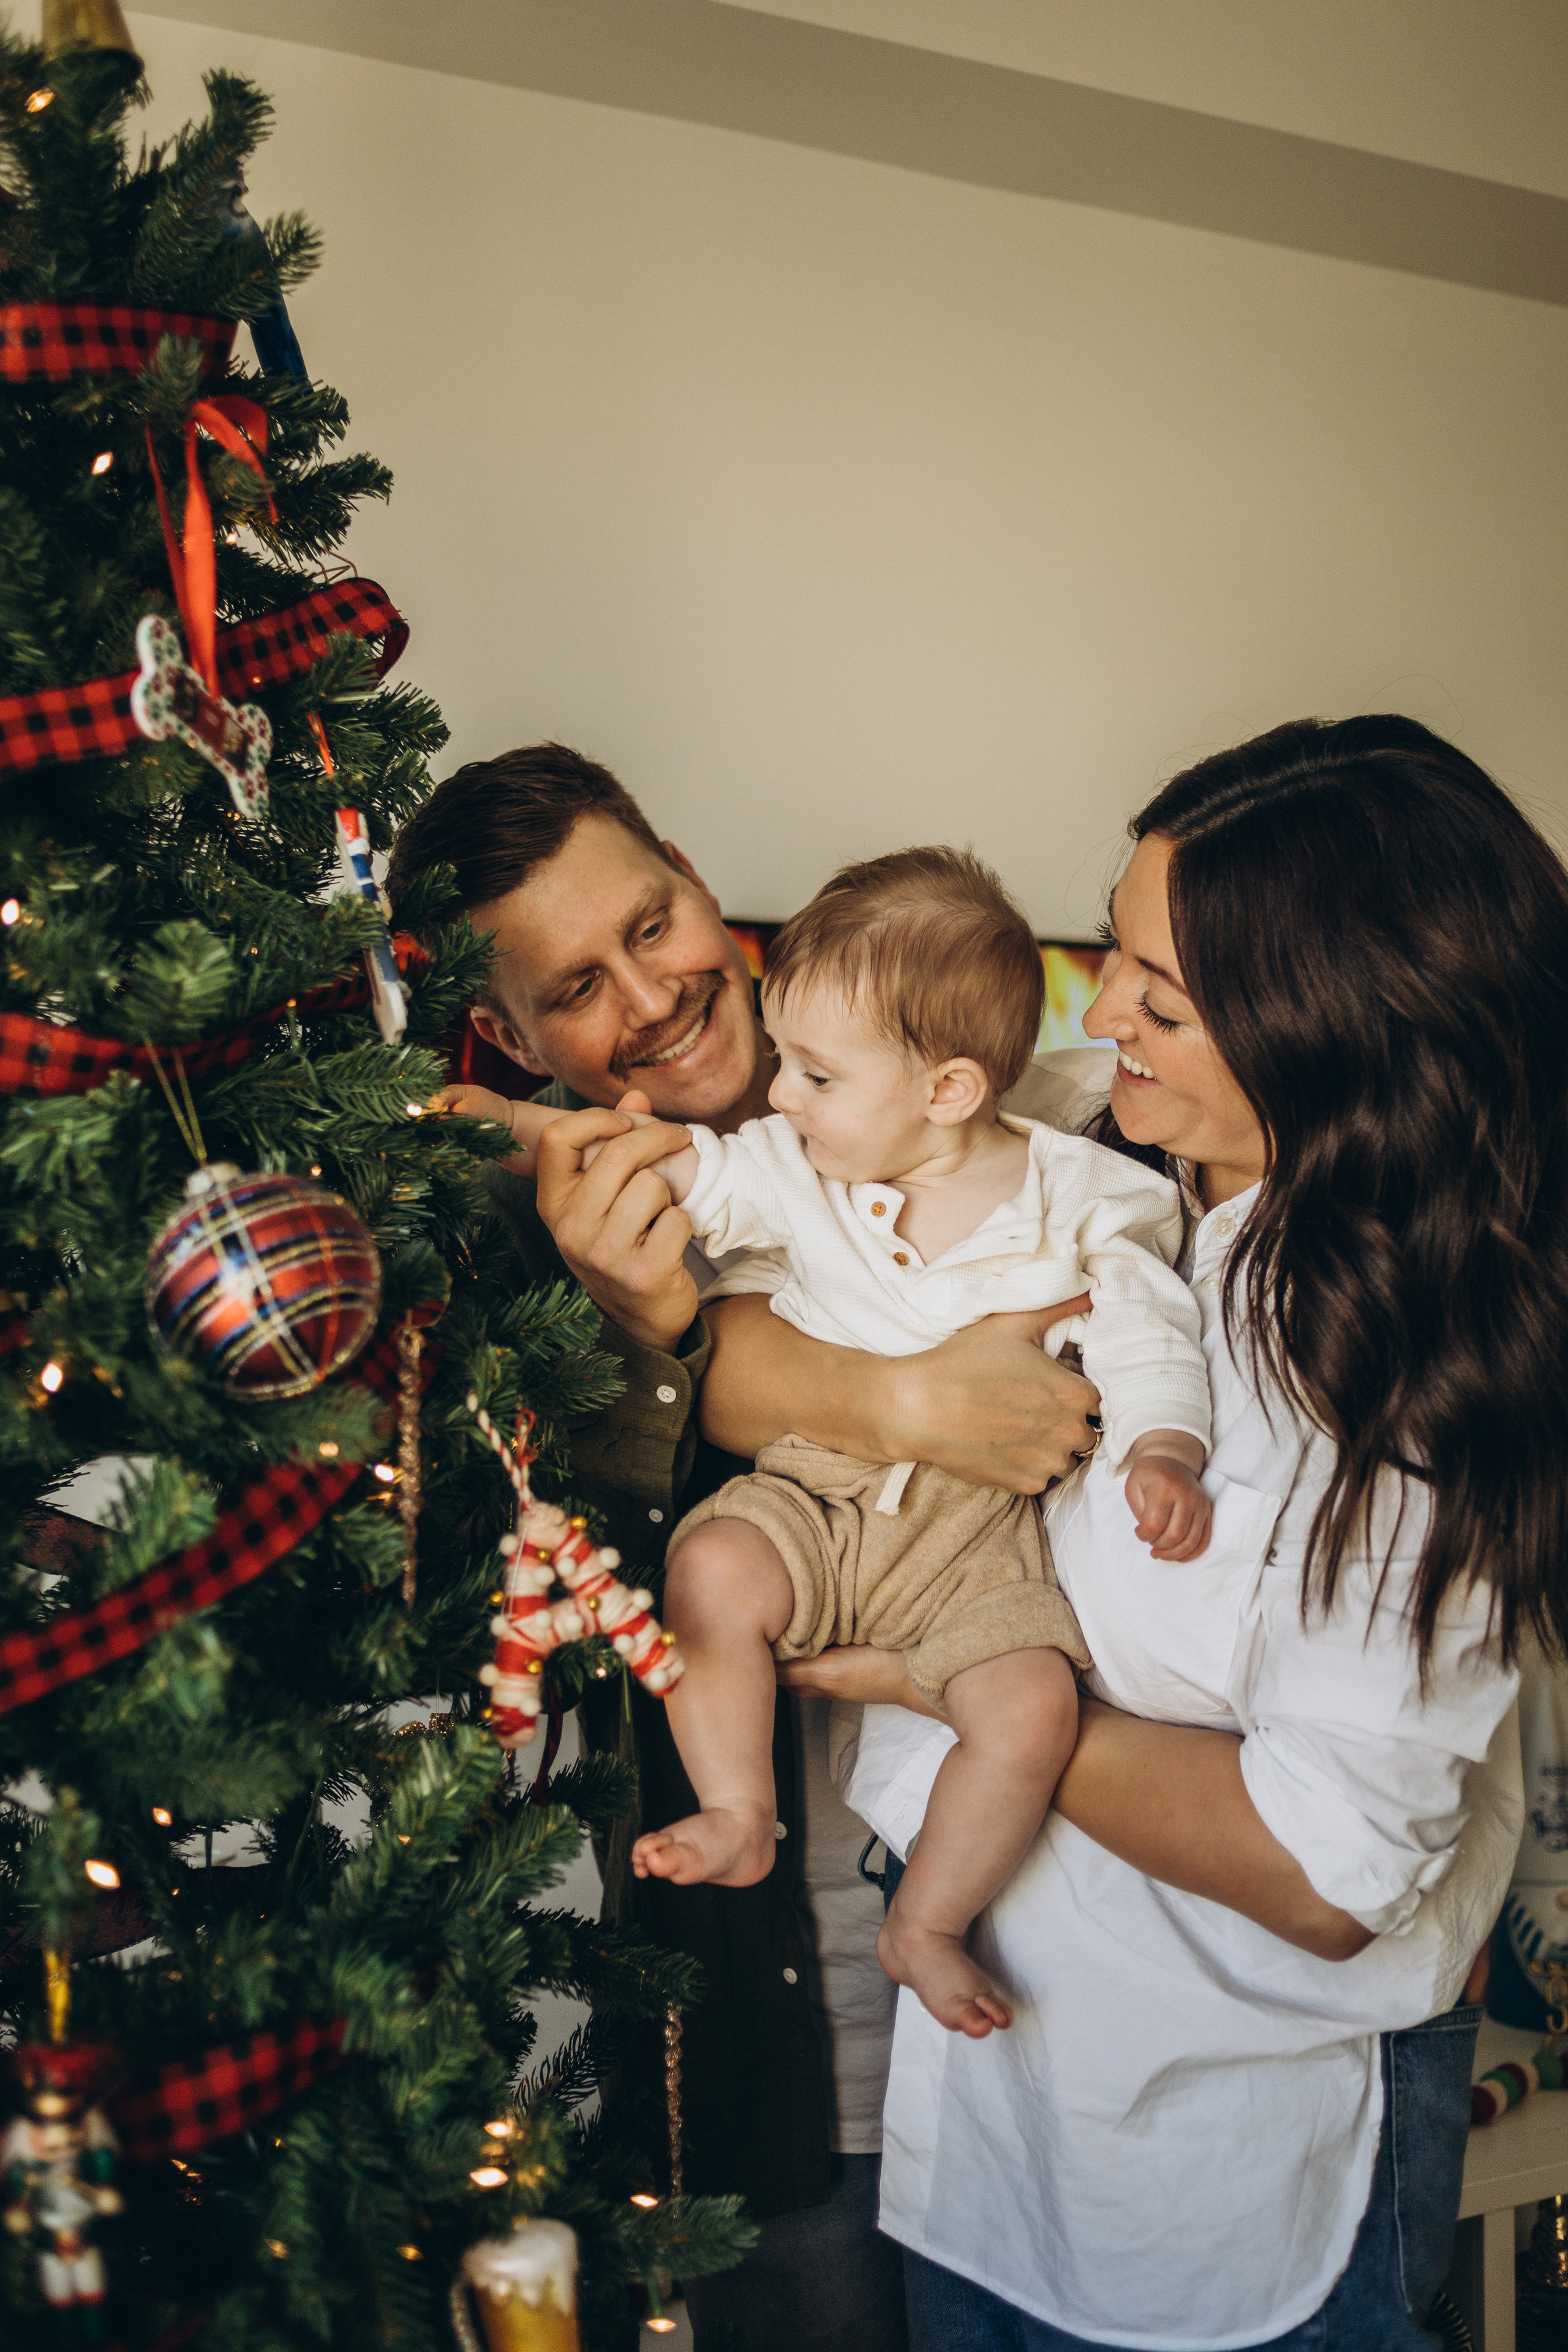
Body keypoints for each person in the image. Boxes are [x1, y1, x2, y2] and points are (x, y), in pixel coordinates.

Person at [695, 714, 1567, 2350]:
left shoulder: (1402, 1377)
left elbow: (1324, 1869)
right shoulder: (1151, 1207)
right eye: (1115, 969)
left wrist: (952, 1682)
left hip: (1232, 2165)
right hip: (1012, 2117)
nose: (1109, 1027)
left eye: (1163, 1001)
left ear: (1343, 1024)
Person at [385, 747, 1099, 2352]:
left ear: (699, 878)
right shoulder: (519, 1254)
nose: (651, 996)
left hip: (1071, 1943)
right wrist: (703, 1355)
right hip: (790, 2019)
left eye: (655, 922)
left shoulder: (954, 1059)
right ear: (505, 1033)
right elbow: (568, 1628)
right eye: (577, 986)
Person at [438, 846, 1212, 2039]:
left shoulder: (1082, 1177)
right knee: (709, 1572)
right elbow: (671, 1163)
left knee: (1030, 1708)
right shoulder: (793, 1167)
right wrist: (507, 1126)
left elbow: (1149, 1327)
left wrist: (1166, 1445)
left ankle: (929, 1922)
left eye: (815, 1073)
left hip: (977, 1542)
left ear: (946, 1090)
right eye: (577, 987)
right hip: (813, 1499)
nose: (784, 1097)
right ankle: (742, 1809)